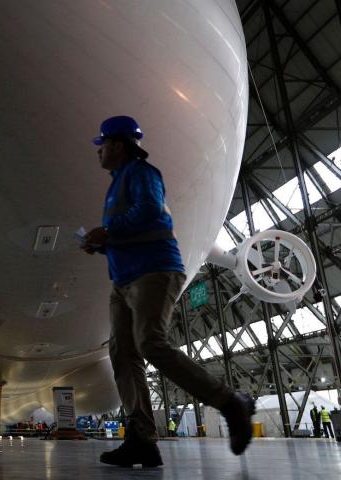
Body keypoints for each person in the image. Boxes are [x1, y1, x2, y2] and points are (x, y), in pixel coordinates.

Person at [83, 116, 255, 469]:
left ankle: (230, 403)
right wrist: (100, 243)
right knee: (122, 351)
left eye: (103, 144)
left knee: (150, 343)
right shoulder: (116, 184)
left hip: (154, 271)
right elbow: (126, 230)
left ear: (118, 145)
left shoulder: (143, 174)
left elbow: (149, 213)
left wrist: (107, 229)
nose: (98, 151)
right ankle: (141, 439)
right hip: (123, 279)